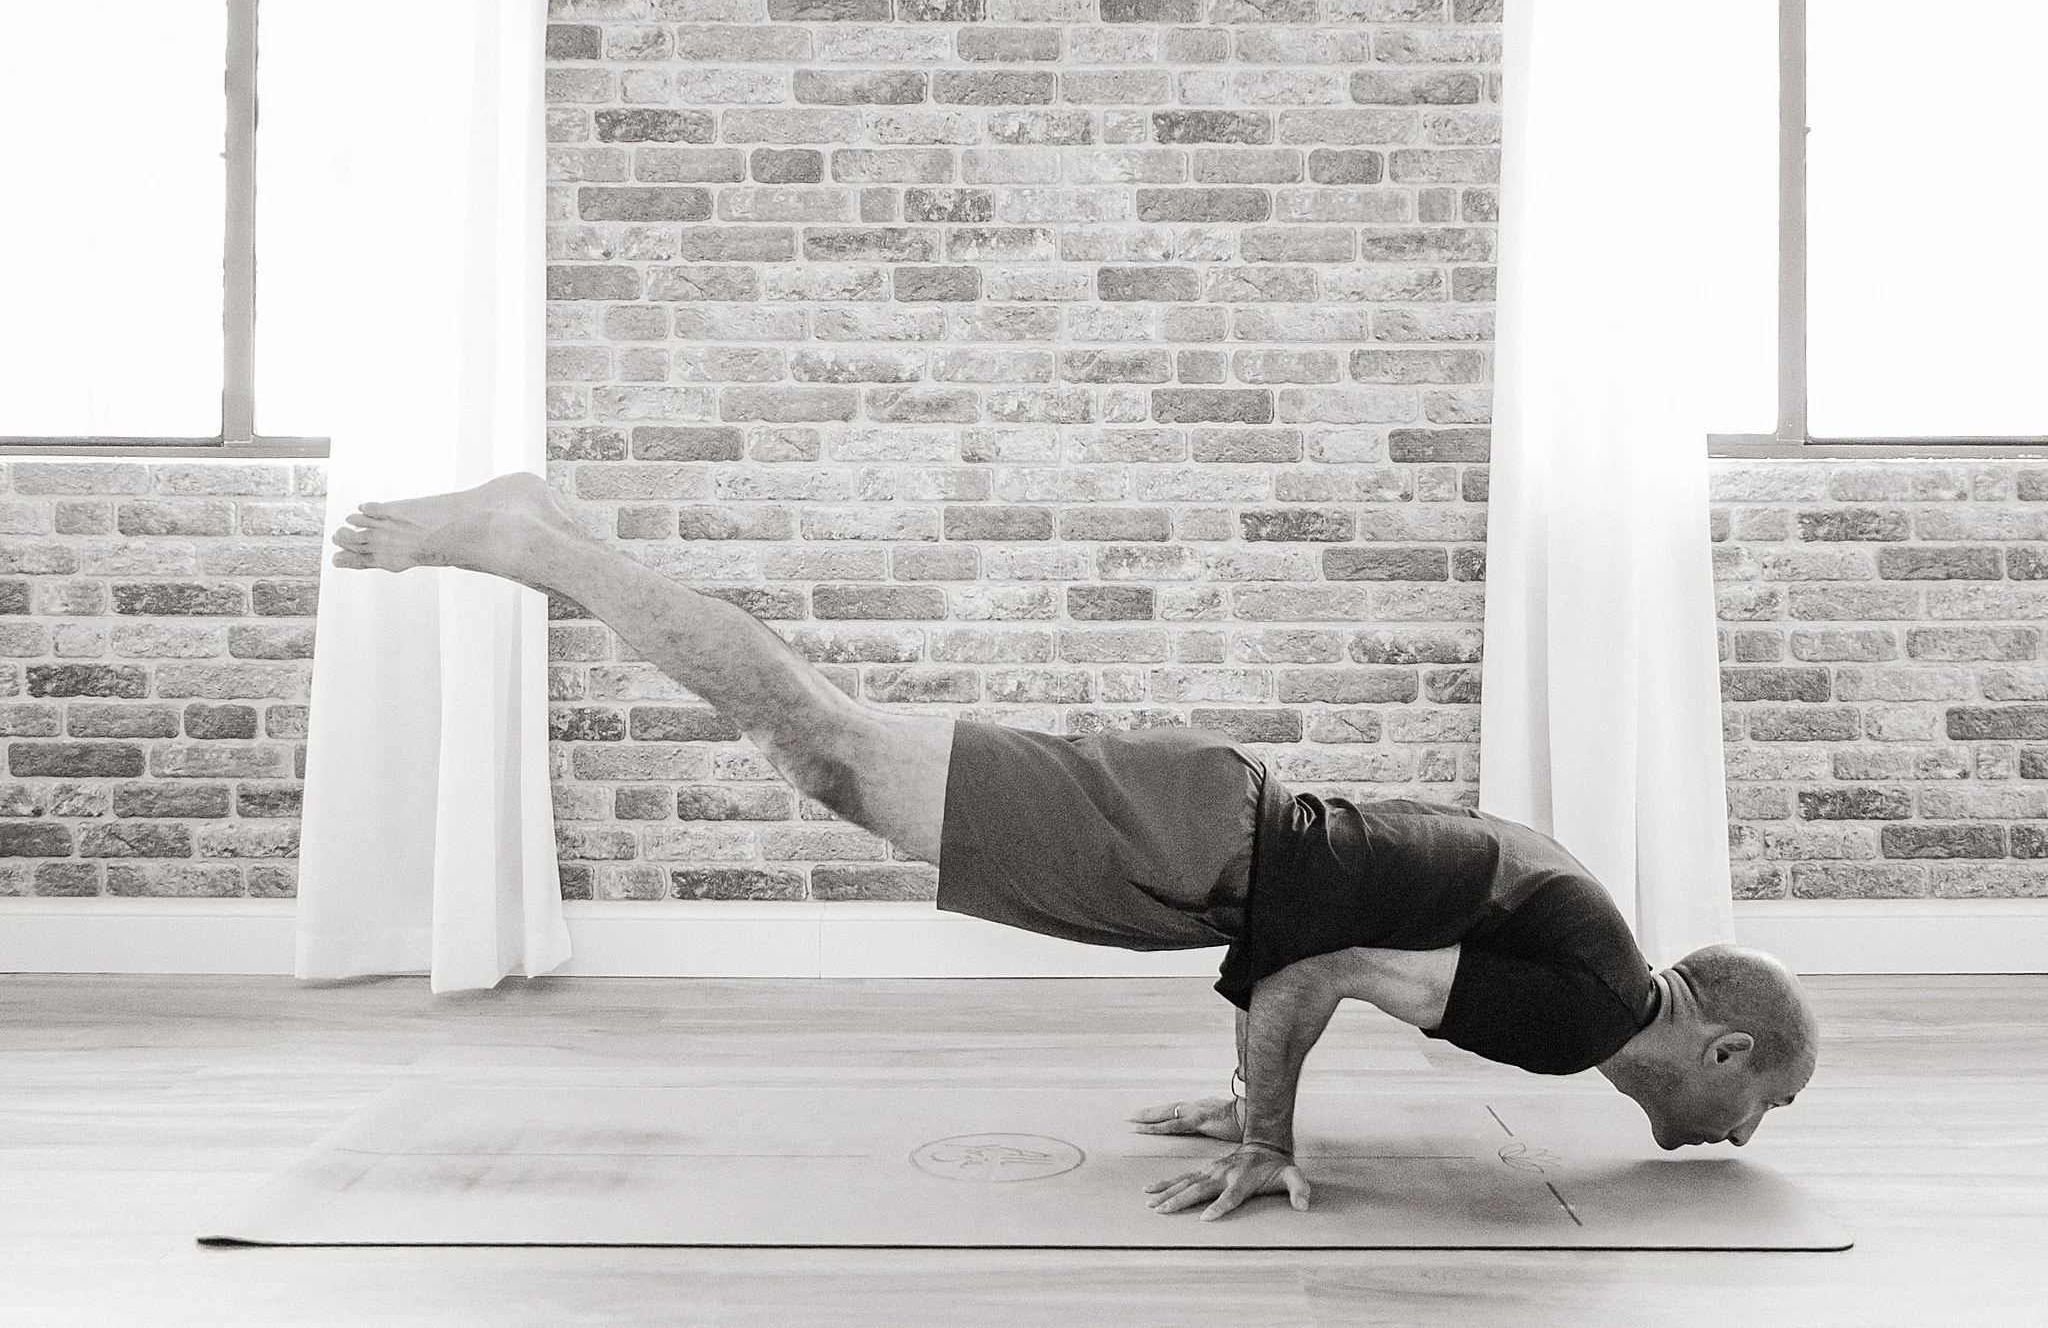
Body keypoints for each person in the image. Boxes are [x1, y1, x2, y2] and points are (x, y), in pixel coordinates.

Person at [331, 473, 1820, 1223]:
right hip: (1193, 847)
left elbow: (1366, 901)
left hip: (1210, 832)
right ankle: (538, 543)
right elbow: (1334, 967)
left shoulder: (1596, 932)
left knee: (824, 743)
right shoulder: (1588, 1018)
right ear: (1728, 1052)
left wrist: (1248, 1056)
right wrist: (1267, 1134)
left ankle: (562, 540)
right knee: (820, 741)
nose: (1743, 1138)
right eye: (1761, 1110)